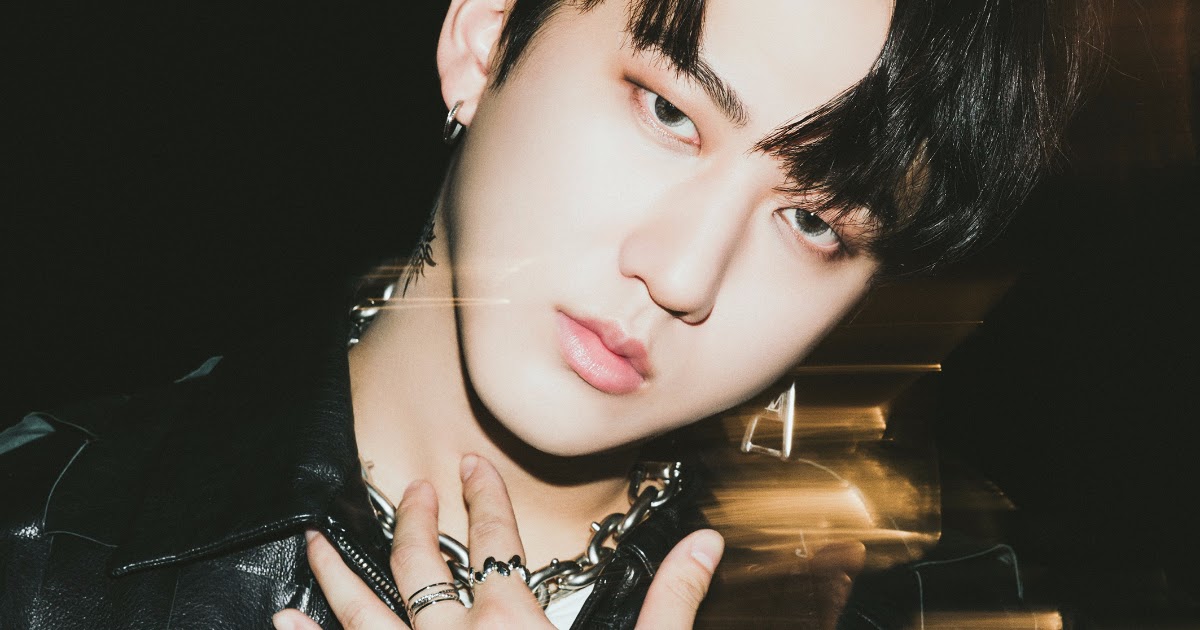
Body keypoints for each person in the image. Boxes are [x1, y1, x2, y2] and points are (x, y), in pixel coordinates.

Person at [0, 0, 1094, 628]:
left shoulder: (926, 611)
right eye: (669, 111)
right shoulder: (41, 535)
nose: (684, 273)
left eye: (813, 222)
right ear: (484, 41)